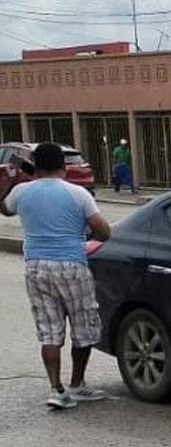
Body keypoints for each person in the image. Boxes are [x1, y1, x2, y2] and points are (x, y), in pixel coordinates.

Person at [0, 143, 111, 410]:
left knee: (49, 331)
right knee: (83, 327)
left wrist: (12, 182)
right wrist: (85, 240)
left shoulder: (21, 192)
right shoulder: (77, 193)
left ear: (34, 166)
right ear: (63, 165)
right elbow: (104, 231)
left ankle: (55, 389)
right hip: (71, 264)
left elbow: (4, 209)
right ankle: (77, 384)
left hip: (36, 266)